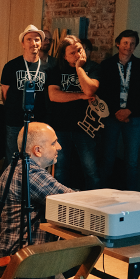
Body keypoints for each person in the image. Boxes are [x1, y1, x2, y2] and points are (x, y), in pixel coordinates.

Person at [0, 121, 95, 279]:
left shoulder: (17, 166)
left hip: (10, 257)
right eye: (54, 142)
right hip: (25, 262)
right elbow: (72, 200)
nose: (59, 147)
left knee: (75, 258)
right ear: (37, 150)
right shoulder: (32, 174)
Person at [48, 35, 103, 190]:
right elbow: (54, 95)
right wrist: (80, 96)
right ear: (64, 56)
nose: (78, 55)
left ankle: (95, 206)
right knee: (61, 169)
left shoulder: (93, 68)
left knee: (91, 170)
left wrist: (79, 68)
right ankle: (62, 205)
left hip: (86, 129)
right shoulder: (56, 70)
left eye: (79, 50)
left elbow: (90, 89)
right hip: (61, 126)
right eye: (72, 53)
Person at [97, 30, 140, 190]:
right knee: (108, 158)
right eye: (125, 43)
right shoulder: (106, 65)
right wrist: (116, 112)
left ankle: (131, 196)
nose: (128, 46)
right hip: (111, 117)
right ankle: (104, 194)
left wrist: (129, 111)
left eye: (132, 43)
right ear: (118, 43)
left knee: (132, 161)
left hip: (134, 118)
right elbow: (103, 92)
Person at [1, 25, 50, 163]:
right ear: (23, 43)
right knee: (13, 157)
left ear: (41, 43)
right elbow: (5, 93)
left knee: (36, 158)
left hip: (39, 120)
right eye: (29, 39)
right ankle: (11, 185)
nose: (33, 43)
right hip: (15, 120)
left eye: (37, 40)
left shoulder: (49, 67)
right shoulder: (11, 66)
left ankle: (30, 185)